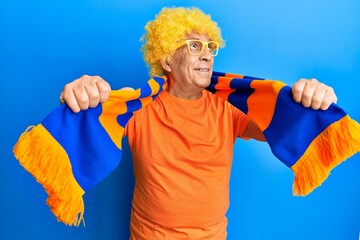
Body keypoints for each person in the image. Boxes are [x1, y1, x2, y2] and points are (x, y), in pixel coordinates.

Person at [59, 7, 337, 240]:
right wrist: (80, 93)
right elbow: (90, 122)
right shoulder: (138, 109)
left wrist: (310, 99)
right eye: (195, 46)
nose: (207, 55)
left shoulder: (229, 109)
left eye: (210, 47)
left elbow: (282, 124)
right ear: (167, 59)